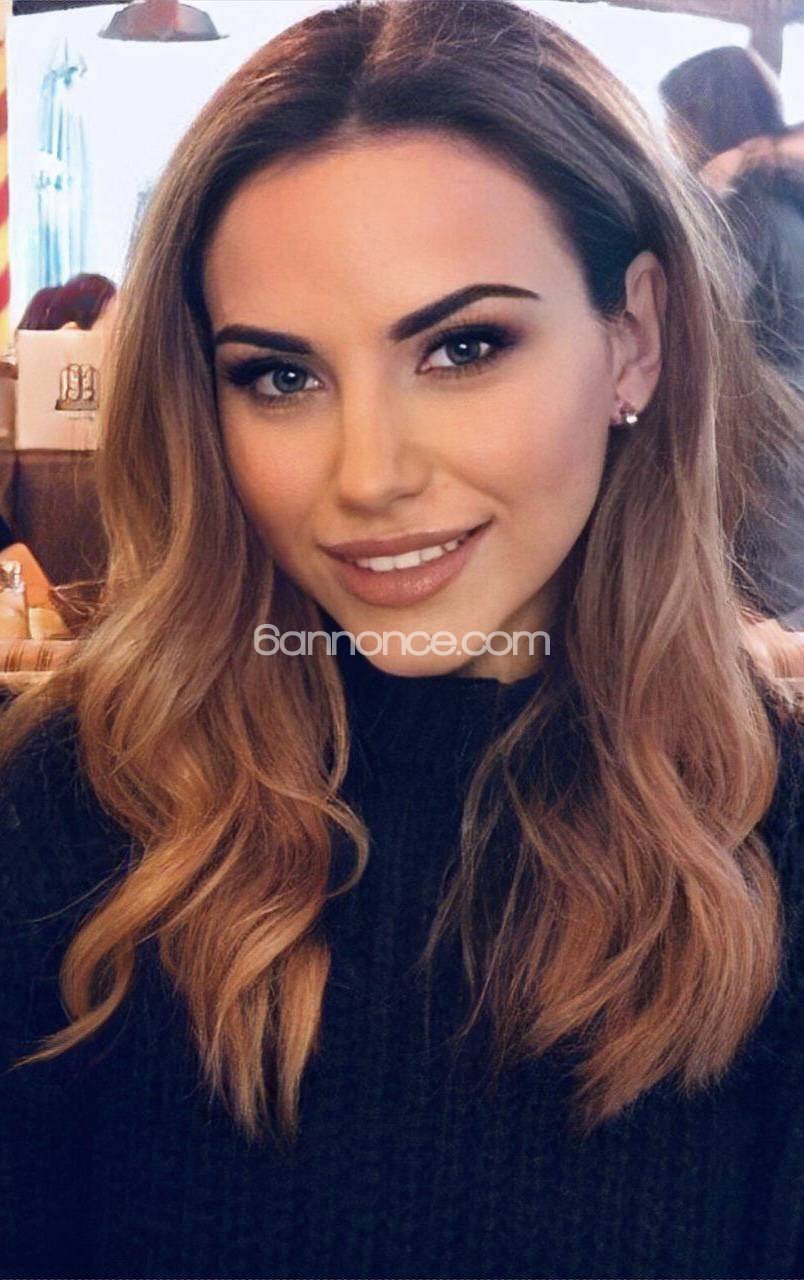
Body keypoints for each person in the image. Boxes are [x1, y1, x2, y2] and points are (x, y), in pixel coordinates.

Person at [0, 2, 802, 1277]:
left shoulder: (775, 833)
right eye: (280, 375)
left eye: (462, 346)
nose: (368, 476)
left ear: (634, 338)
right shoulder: (79, 803)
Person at [661, 46, 804, 628]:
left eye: (673, 120)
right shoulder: (790, 204)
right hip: (791, 429)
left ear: (700, 119)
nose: (669, 137)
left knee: (764, 621)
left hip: (766, 436)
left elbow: (693, 324)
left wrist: (694, 197)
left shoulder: (740, 215)